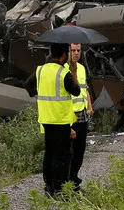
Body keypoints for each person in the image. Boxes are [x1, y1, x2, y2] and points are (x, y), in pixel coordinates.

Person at [25, 42, 82, 197]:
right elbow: (76, 91)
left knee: (50, 153)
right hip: (60, 119)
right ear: (64, 54)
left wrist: (38, 97)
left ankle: (49, 187)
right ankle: (60, 188)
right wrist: (74, 72)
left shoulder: (41, 70)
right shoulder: (63, 73)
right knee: (63, 155)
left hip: (46, 118)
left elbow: (28, 84)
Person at [68, 43, 94, 189]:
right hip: (70, 115)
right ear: (68, 51)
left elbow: (85, 89)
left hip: (82, 113)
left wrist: (89, 106)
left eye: (78, 50)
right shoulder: (64, 69)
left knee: (80, 149)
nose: (76, 53)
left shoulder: (82, 68)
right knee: (70, 151)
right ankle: (69, 181)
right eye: (73, 50)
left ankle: (74, 178)